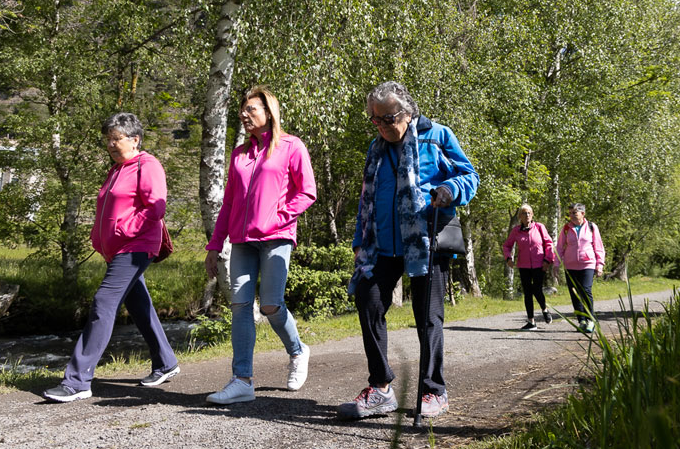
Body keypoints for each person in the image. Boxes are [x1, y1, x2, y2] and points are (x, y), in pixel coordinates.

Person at [337, 81, 479, 420]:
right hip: (381, 245)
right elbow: (367, 199)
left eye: (388, 118)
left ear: (407, 112)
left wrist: (449, 189)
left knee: (427, 317)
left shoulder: (437, 136)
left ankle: (434, 391)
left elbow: (469, 176)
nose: (382, 126)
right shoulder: (375, 149)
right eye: (375, 119)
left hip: (425, 241)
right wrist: (359, 241)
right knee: (368, 301)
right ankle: (381, 388)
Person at [43, 112, 179, 403]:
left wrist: (123, 230)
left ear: (134, 139)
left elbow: (156, 207)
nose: (110, 145)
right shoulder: (116, 169)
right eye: (108, 139)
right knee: (139, 305)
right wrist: (99, 237)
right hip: (117, 249)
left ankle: (77, 381)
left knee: (103, 302)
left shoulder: (148, 165)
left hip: (136, 246)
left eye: (116, 139)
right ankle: (166, 362)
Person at [203, 86, 317, 404]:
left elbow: (307, 191)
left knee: (270, 304)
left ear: (269, 112)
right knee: (240, 306)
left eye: (251, 108)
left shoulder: (291, 146)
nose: (244, 114)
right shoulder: (239, 155)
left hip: (276, 237)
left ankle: (298, 351)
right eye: (242, 109)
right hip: (241, 241)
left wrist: (278, 216)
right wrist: (215, 244)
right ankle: (242, 380)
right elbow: (228, 203)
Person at [554, 203, 605, 333]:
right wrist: (556, 264)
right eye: (570, 213)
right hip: (570, 265)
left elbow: (599, 247)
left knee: (586, 290)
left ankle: (590, 320)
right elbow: (559, 247)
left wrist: (599, 265)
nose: (571, 216)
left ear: (582, 213)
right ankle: (581, 320)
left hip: (587, 264)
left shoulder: (591, 227)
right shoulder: (566, 228)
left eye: (574, 213)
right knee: (574, 293)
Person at [502, 204, 556, 330]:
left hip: (539, 264)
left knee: (537, 290)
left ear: (532, 215)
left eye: (529, 213)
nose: (527, 215)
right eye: (524, 213)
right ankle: (531, 322)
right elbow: (507, 245)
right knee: (527, 292)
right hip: (523, 265)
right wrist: (508, 258)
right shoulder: (516, 230)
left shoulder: (539, 227)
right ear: (520, 216)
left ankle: (544, 309)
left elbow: (549, 243)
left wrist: (548, 260)